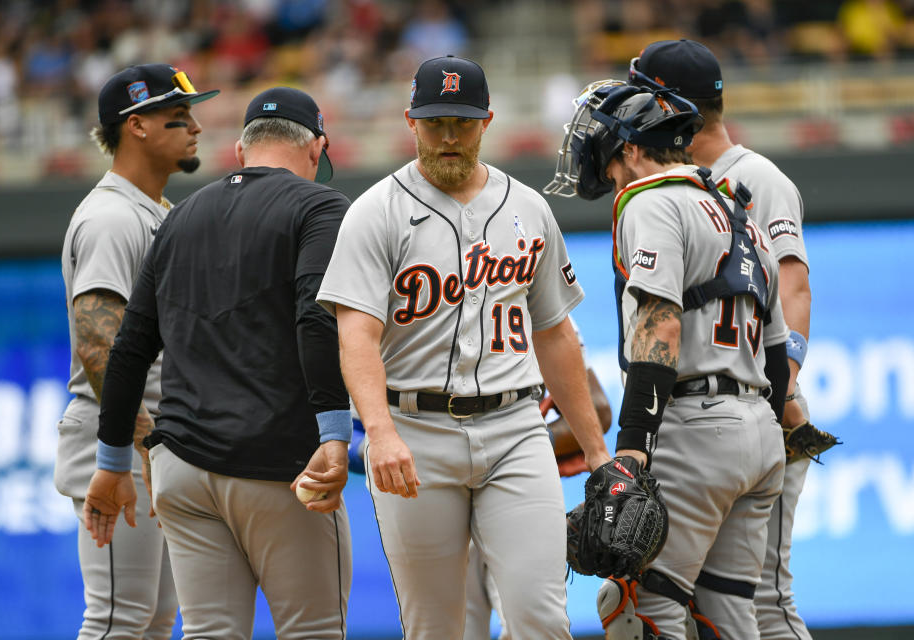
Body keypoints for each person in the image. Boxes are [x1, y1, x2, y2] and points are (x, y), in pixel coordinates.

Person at [317, 54, 612, 639]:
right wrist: (378, 432)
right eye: (435, 122)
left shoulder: (529, 209)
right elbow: (356, 336)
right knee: (436, 627)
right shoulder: (375, 213)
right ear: (410, 121)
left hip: (515, 428)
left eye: (463, 122)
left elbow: (555, 335)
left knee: (540, 617)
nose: (449, 137)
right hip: (414, 431)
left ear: (487, 121)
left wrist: (598, 453)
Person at [82, 86, 353, 640]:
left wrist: (111, 463)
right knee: (314, 630)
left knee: (209, 633)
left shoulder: (179, 217)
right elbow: (316, 318)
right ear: (316, 148)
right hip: (278, 462)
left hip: (181, 470)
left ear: (239, 150)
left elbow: (130, 346)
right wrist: (334, 429)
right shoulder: (321, 206)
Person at [545, 79, 794, 639]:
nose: (610, 175)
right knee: (729, 612)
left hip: (698, 428)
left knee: (635, 603)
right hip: (759, 431)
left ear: (632, 150)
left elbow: (660, 323)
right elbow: (777, 352)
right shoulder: (737, 211)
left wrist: (632, 448)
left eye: (610, 160)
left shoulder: (652, 200)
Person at [629, 39, 840, 639]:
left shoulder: (753, 177)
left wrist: (784, 390)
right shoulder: (676, 182)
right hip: (700, 416)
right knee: (694, 606)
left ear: (667, 104)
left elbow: (793, 285)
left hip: (760, 404)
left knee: (765, 603)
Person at [55, 62, 217, 639]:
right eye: (179, 115)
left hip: (154, 440)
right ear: (137, 125)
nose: (195, 126)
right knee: (117, 620)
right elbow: (100, 342)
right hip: (122, 438)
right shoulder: (112, 217)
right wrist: (128, 448)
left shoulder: (156, 212)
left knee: (152, 622)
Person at [463, 319, 614, 640]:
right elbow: (598, 409)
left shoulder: (419, 290)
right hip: (517, 491)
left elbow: (598, 409)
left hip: (466, 491)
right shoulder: (528, 295)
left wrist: (518, 446)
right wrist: (520, 447)